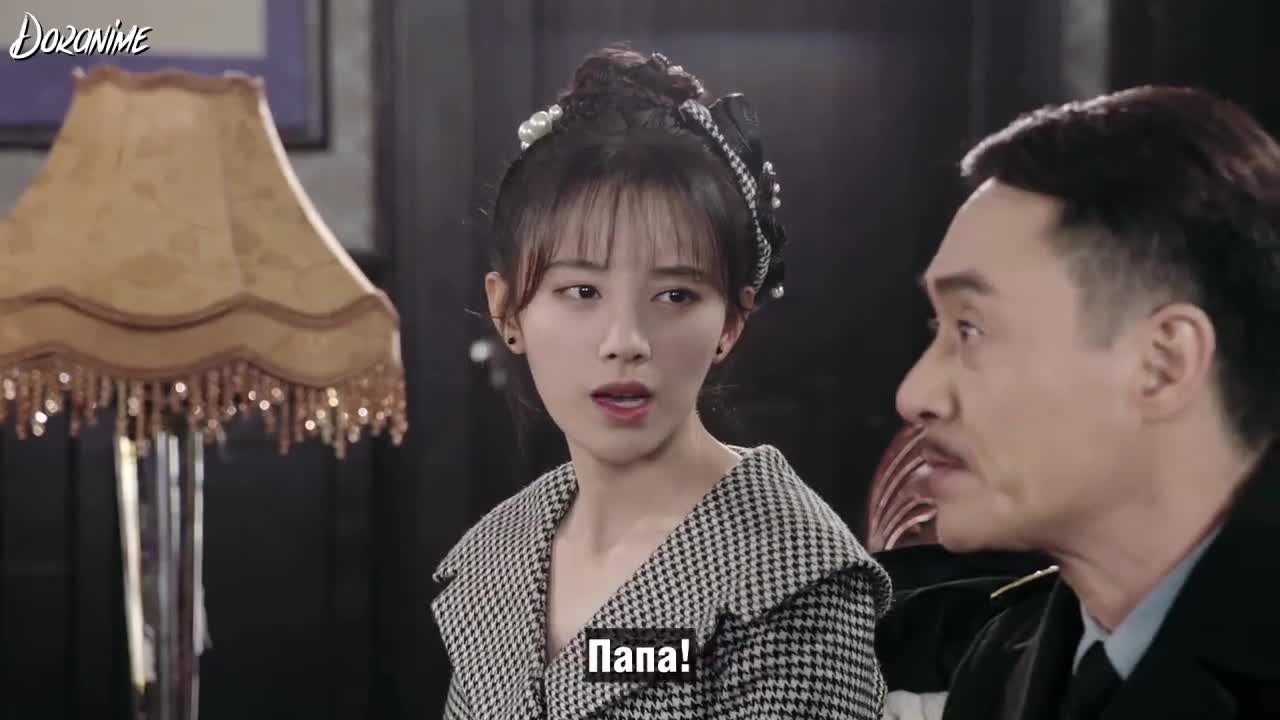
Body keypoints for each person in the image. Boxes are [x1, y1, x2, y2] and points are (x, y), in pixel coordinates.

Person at [430, 47, 891, 720]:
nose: (626, 340)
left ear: (731, 321)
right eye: (582, 291)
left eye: (675, 295)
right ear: (507, 313)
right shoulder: (500, 554)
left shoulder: (791, 577)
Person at [897, 85, 1280, 719]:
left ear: (1162, 364)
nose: (915, 395)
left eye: (971, 328)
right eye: (936, 327)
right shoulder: (1005, 660)